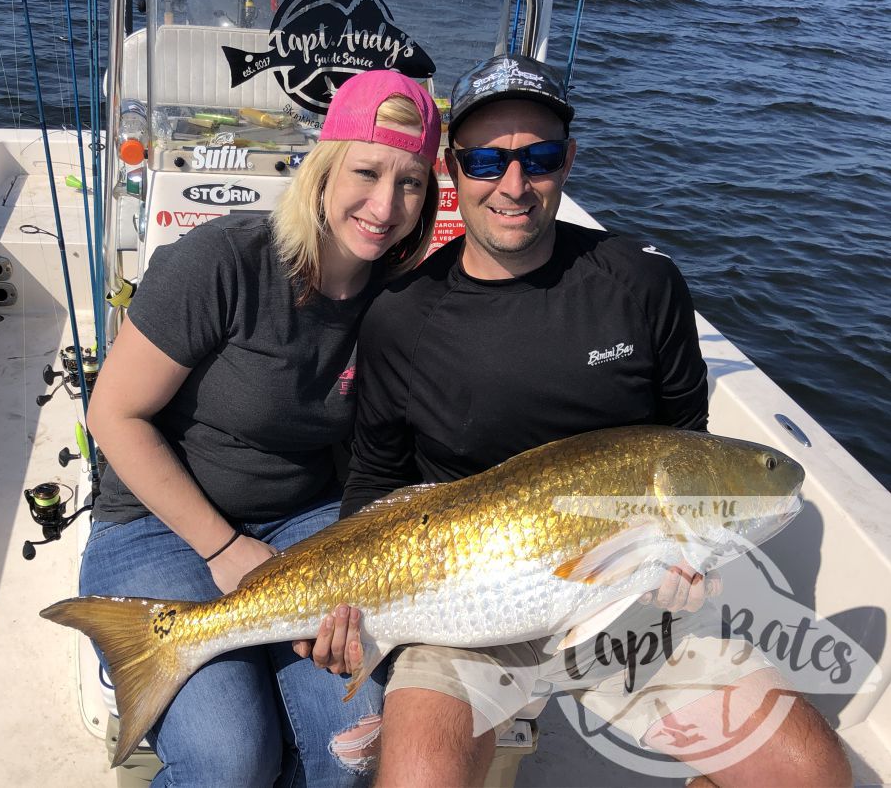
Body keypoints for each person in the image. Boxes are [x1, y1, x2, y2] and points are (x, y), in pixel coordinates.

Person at [327, 54, 852, 787]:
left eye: (538, 158)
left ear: (568, 161)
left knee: (810, 775)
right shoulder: (402, 317)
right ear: (453, 170)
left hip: (635, 607)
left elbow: (682, 444)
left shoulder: (643, 283)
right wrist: (350, 608)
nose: (514, 185)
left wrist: (683, 563)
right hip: (464, 610)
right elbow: (377, 481)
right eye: (486, 160)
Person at [79, 69, 441, 788]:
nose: (384, 204)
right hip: (160, 525)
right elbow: (111, 415)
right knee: (228, 758)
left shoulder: (406, 302)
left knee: (354, 744)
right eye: (366, 171)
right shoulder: (222, 262)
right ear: (323, 168)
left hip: (309, 523)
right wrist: (221, 546)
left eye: (411, 183)